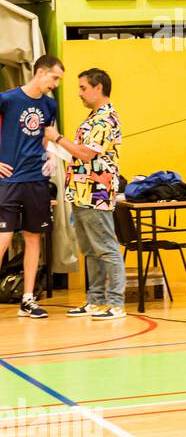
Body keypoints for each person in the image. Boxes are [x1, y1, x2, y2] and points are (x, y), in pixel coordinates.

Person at [0, 54, 62, 319]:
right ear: (40, 72)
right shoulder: (8, 99)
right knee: (2, 239)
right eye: (54, 77)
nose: (56, 84)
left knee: (33, 238)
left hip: (36, 181)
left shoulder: (50, 105)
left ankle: (27, 299)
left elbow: (45, 138)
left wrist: (49, 156)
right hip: (9, 181)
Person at [61, 68, 125, 320]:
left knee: (106, 248)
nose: (79, 93)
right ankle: (95, 300)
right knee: (89, 249)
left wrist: (58, 139)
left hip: (96, 192)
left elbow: (87, 153)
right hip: (80, 191)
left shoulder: (106, 119)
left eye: (83, 88)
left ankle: (116, 303)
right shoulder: (92, 118)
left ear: (98, 88)